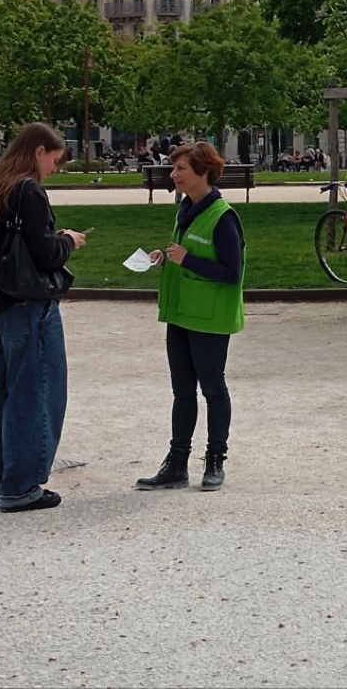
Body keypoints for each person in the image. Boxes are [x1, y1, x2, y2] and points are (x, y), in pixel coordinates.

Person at [0, 123, 86, 513]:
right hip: (28, 304)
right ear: (38, 150)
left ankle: (2, 483)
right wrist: (68, 241)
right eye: (54, 160)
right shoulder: (27, 189)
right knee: (36, 395)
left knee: (6, 393)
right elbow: (47, 254)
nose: (54, 168)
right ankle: (21, 486)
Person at [137, 142, 246, 492]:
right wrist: (166, 255)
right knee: (182, 391)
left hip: (209, 318)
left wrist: (188, 260)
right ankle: (176, 464)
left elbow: (232, 272)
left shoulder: (223, 217)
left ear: (203, 172)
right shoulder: (186, 209)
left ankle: (215, 461)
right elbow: (185, 252)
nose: (173, 175)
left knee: (213, 389)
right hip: (180, 314)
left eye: (180, 169)